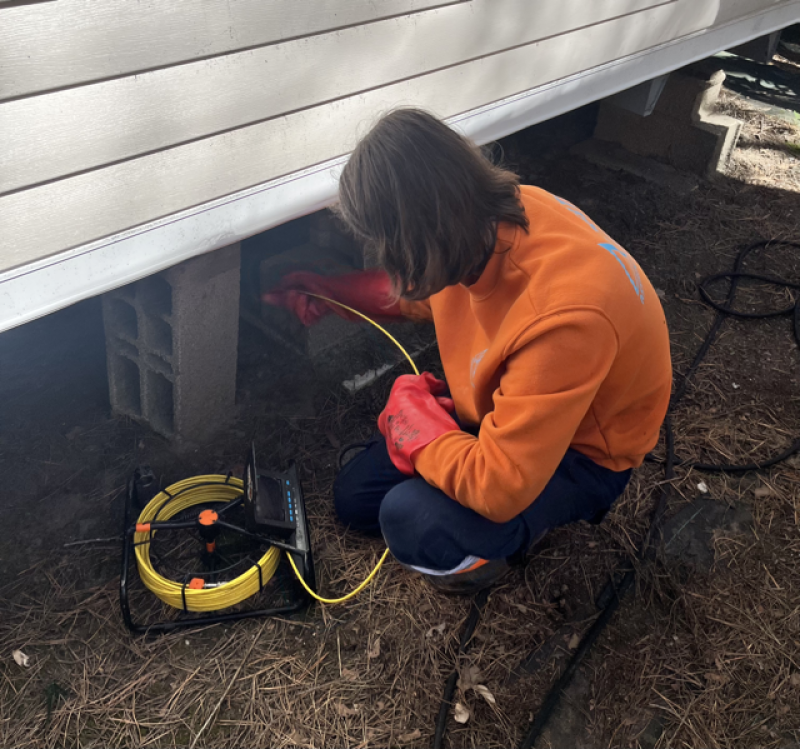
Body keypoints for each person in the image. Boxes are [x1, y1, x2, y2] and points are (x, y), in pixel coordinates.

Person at [264, 108, 672, 594]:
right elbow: (426, 294)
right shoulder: (479, 225)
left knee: (411, 520)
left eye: (387, 247)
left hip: (583, 453)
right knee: (355, 501)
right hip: (516, 398)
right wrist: (333, 291)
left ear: (421, 240)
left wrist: (419, 434)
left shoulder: (566, 318)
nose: (383, 257)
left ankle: (485, 558)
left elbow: (498, 488)